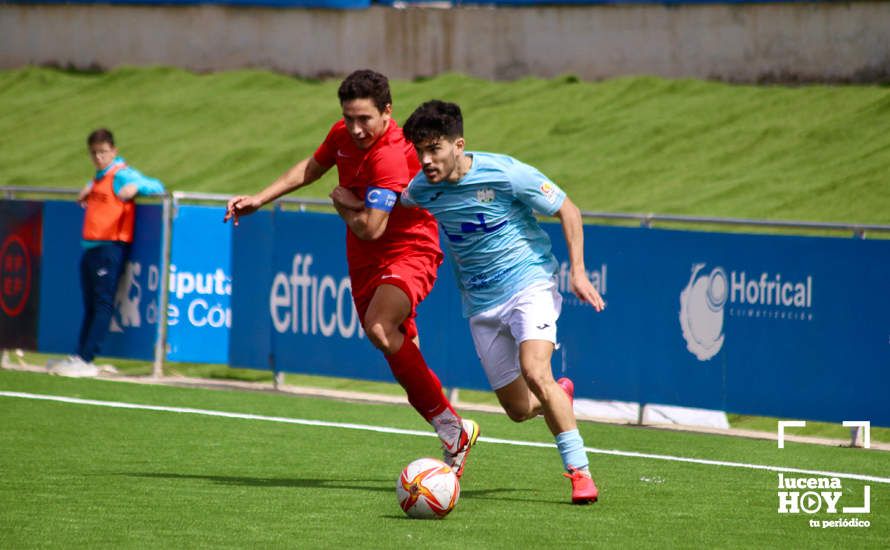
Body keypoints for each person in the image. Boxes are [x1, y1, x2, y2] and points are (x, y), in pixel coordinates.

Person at [224, 70, 479, 478]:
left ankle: (452, 429)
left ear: (387, 113)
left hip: (410, 249)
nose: (356, 129)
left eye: (365, 119)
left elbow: (372, 226)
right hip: (362, 259)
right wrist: (259, 198)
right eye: (349, 118)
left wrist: (342, 202)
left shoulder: (391, 155)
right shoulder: (342, 134)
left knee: (380, 329)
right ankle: (453, 428)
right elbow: (313, 165)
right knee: (393, 343)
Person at [397, 99, 604, 503]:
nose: (425, 160)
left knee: (535, 371)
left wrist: (578, 271)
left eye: (434, 149)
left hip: (529, 285)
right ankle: (557, 396)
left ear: (459, 145)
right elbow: (391, 207)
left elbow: (569, 209)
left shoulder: (507, 173)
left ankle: (580, 473)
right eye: (419, 151)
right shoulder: (422, 189)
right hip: (480, 305)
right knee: (518, 409)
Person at [50, 128, 166, 377]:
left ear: (113, 151)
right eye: (94, 153)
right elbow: (98, 183)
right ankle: (79, 355)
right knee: (91, 306)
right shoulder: (99, 178)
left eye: (103, 152)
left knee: (102, 304)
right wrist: (90, 185)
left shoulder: (122, 174)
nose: (99, 157)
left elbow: (156, 186)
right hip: (91, 248)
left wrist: (136, 187)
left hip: (110, 247)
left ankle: (86, 359)